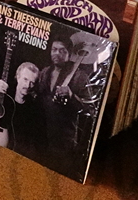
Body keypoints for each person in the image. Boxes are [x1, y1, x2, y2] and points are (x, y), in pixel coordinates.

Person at [36, 37, 95, 179]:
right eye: (54, 50)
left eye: (62, 51)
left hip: (65, 141)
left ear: (70, 54)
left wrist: (71, 96)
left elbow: (91, 109)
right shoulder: (44, 73)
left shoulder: (80, 77)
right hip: (42, 136)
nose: (57, 53)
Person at [0, 61, 47, 162]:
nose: (28, 85)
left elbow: (37, 142)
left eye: (32, 82)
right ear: (18, 77)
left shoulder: (34, 109)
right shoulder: (2, 95)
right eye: (25, 79)